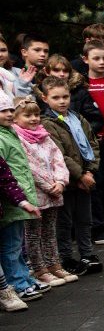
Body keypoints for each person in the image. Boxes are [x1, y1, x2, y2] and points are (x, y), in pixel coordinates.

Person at [38, 77, 101, 275]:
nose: (62, 101)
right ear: (45, 98)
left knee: (84, 219)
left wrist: (90, 170)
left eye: (65, 96)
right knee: (64, 223)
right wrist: (80, 175)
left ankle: (87, 253)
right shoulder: (48, 123)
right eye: (56, 97)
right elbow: (59, 154)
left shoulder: (78, 118)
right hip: (66, 181)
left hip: (85, 178)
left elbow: (92, 144)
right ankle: (65, 257)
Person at [11, 95, 70, 289]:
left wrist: (60, 181)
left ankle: (54, 263)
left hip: (54, 191)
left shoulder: (44, 136)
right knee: (33, 234)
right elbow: (28, 166)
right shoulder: (18, 139)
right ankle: (39, 268)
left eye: (36, 114)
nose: (34, 119)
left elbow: (57, 159)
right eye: (28, 116)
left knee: (49, 231)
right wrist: (48, 185)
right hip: (35, 193)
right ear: (16, 118)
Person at [71, 43, 104, 243]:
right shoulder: (79, 86)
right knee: (95, 184)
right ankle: (95, 227)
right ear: (85, 59)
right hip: (88, 144)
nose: (101, 62)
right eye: (96, 58)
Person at [0, 90, 43, 309]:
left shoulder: (10, 132)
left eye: (10, 109)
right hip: (10, 201)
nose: (8, 114)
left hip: (19, 194)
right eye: (3, 110)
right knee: (11, 245)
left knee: (17, 242)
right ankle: (16, 282)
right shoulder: (1, 137)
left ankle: (23, 276)